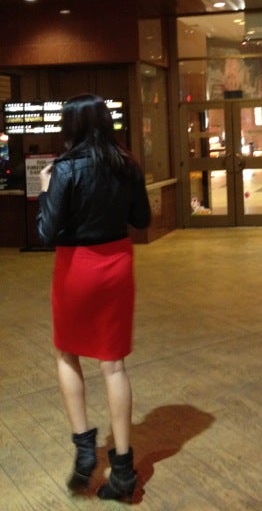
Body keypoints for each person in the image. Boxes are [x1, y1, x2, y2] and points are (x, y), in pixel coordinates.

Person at [37, 94, 151, 501]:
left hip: (76, 268)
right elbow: (142, 219)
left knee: (67, 353)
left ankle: (85, 451)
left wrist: (46, 191)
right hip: (117, 264)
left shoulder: (64, 169)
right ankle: (123, 471)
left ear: (70, 125)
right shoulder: (127, 164)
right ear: (105, 122)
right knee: (114, 365)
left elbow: (46, 233)